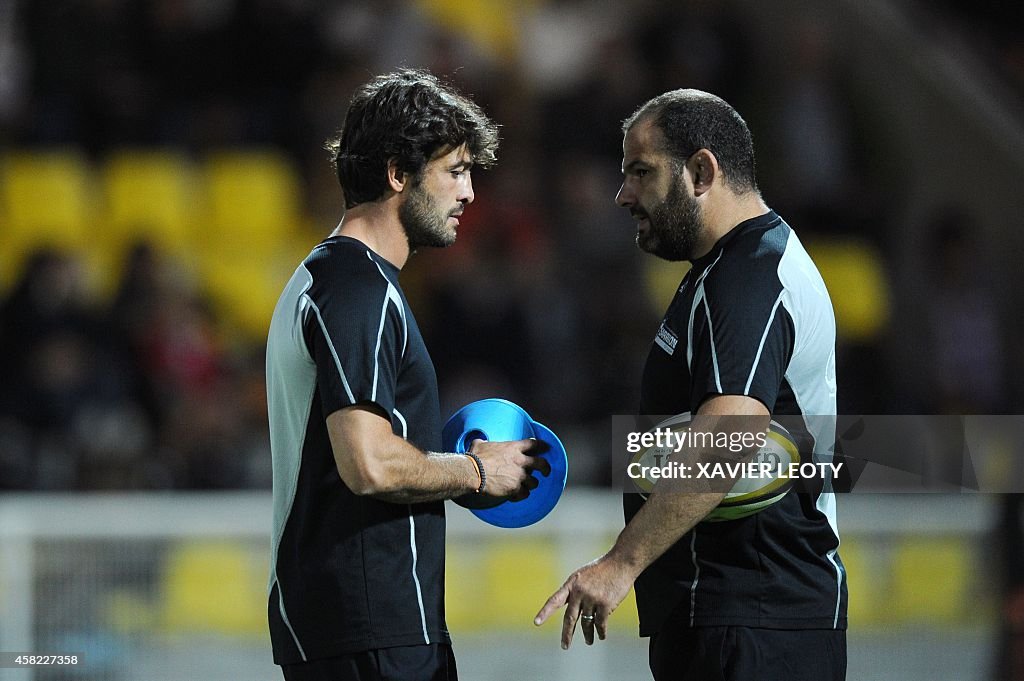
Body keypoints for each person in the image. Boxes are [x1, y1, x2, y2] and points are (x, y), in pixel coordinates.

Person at [535, 89, 847, 680]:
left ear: (702, 171)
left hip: (755, 620)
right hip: (732, 614)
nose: (623, 194)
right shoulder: (724, 270)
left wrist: (621, 563)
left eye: (641, 172)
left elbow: (731, 430)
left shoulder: (749, 277)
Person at [266, 69, 548, 681]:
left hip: (362, 626)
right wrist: (478, 470)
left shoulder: (339, 280)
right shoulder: (357, 289)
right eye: (455, 170)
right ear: (398, 174)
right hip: (370, 629)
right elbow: (367, 464)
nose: (470, 193)